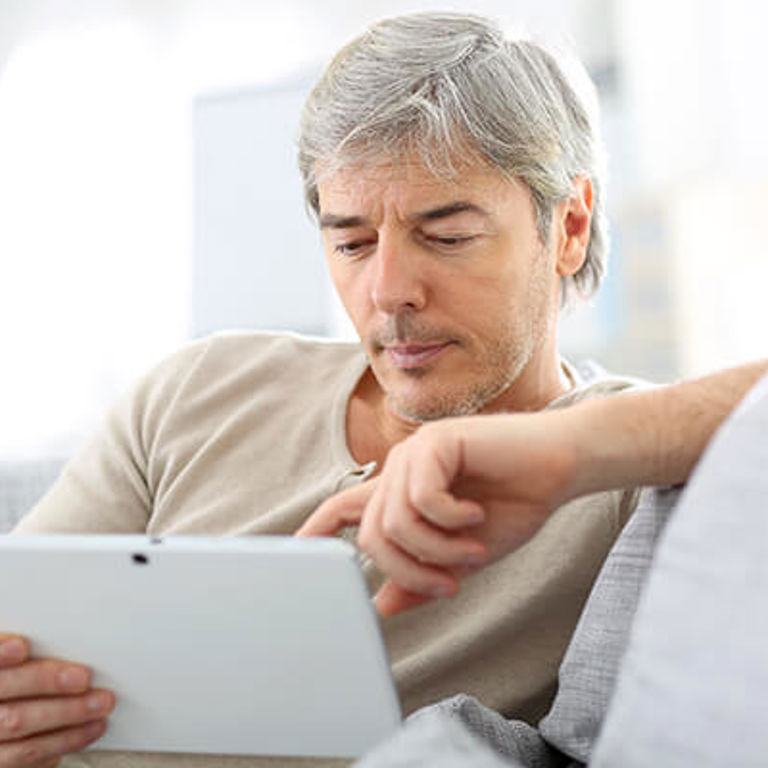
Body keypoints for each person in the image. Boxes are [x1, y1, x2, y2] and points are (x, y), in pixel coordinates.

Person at [2, 12, 641, 768]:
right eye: (351, 242)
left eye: (447, 236)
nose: (389, 291)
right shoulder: (198, 391)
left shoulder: (627, 471)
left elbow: (742, 415)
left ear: (569, 226)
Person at [303, 359, 767, 767]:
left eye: (450, 251)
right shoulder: (270, 365)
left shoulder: (626, 474)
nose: (389, 296)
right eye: (351, 255)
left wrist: (571, 446)